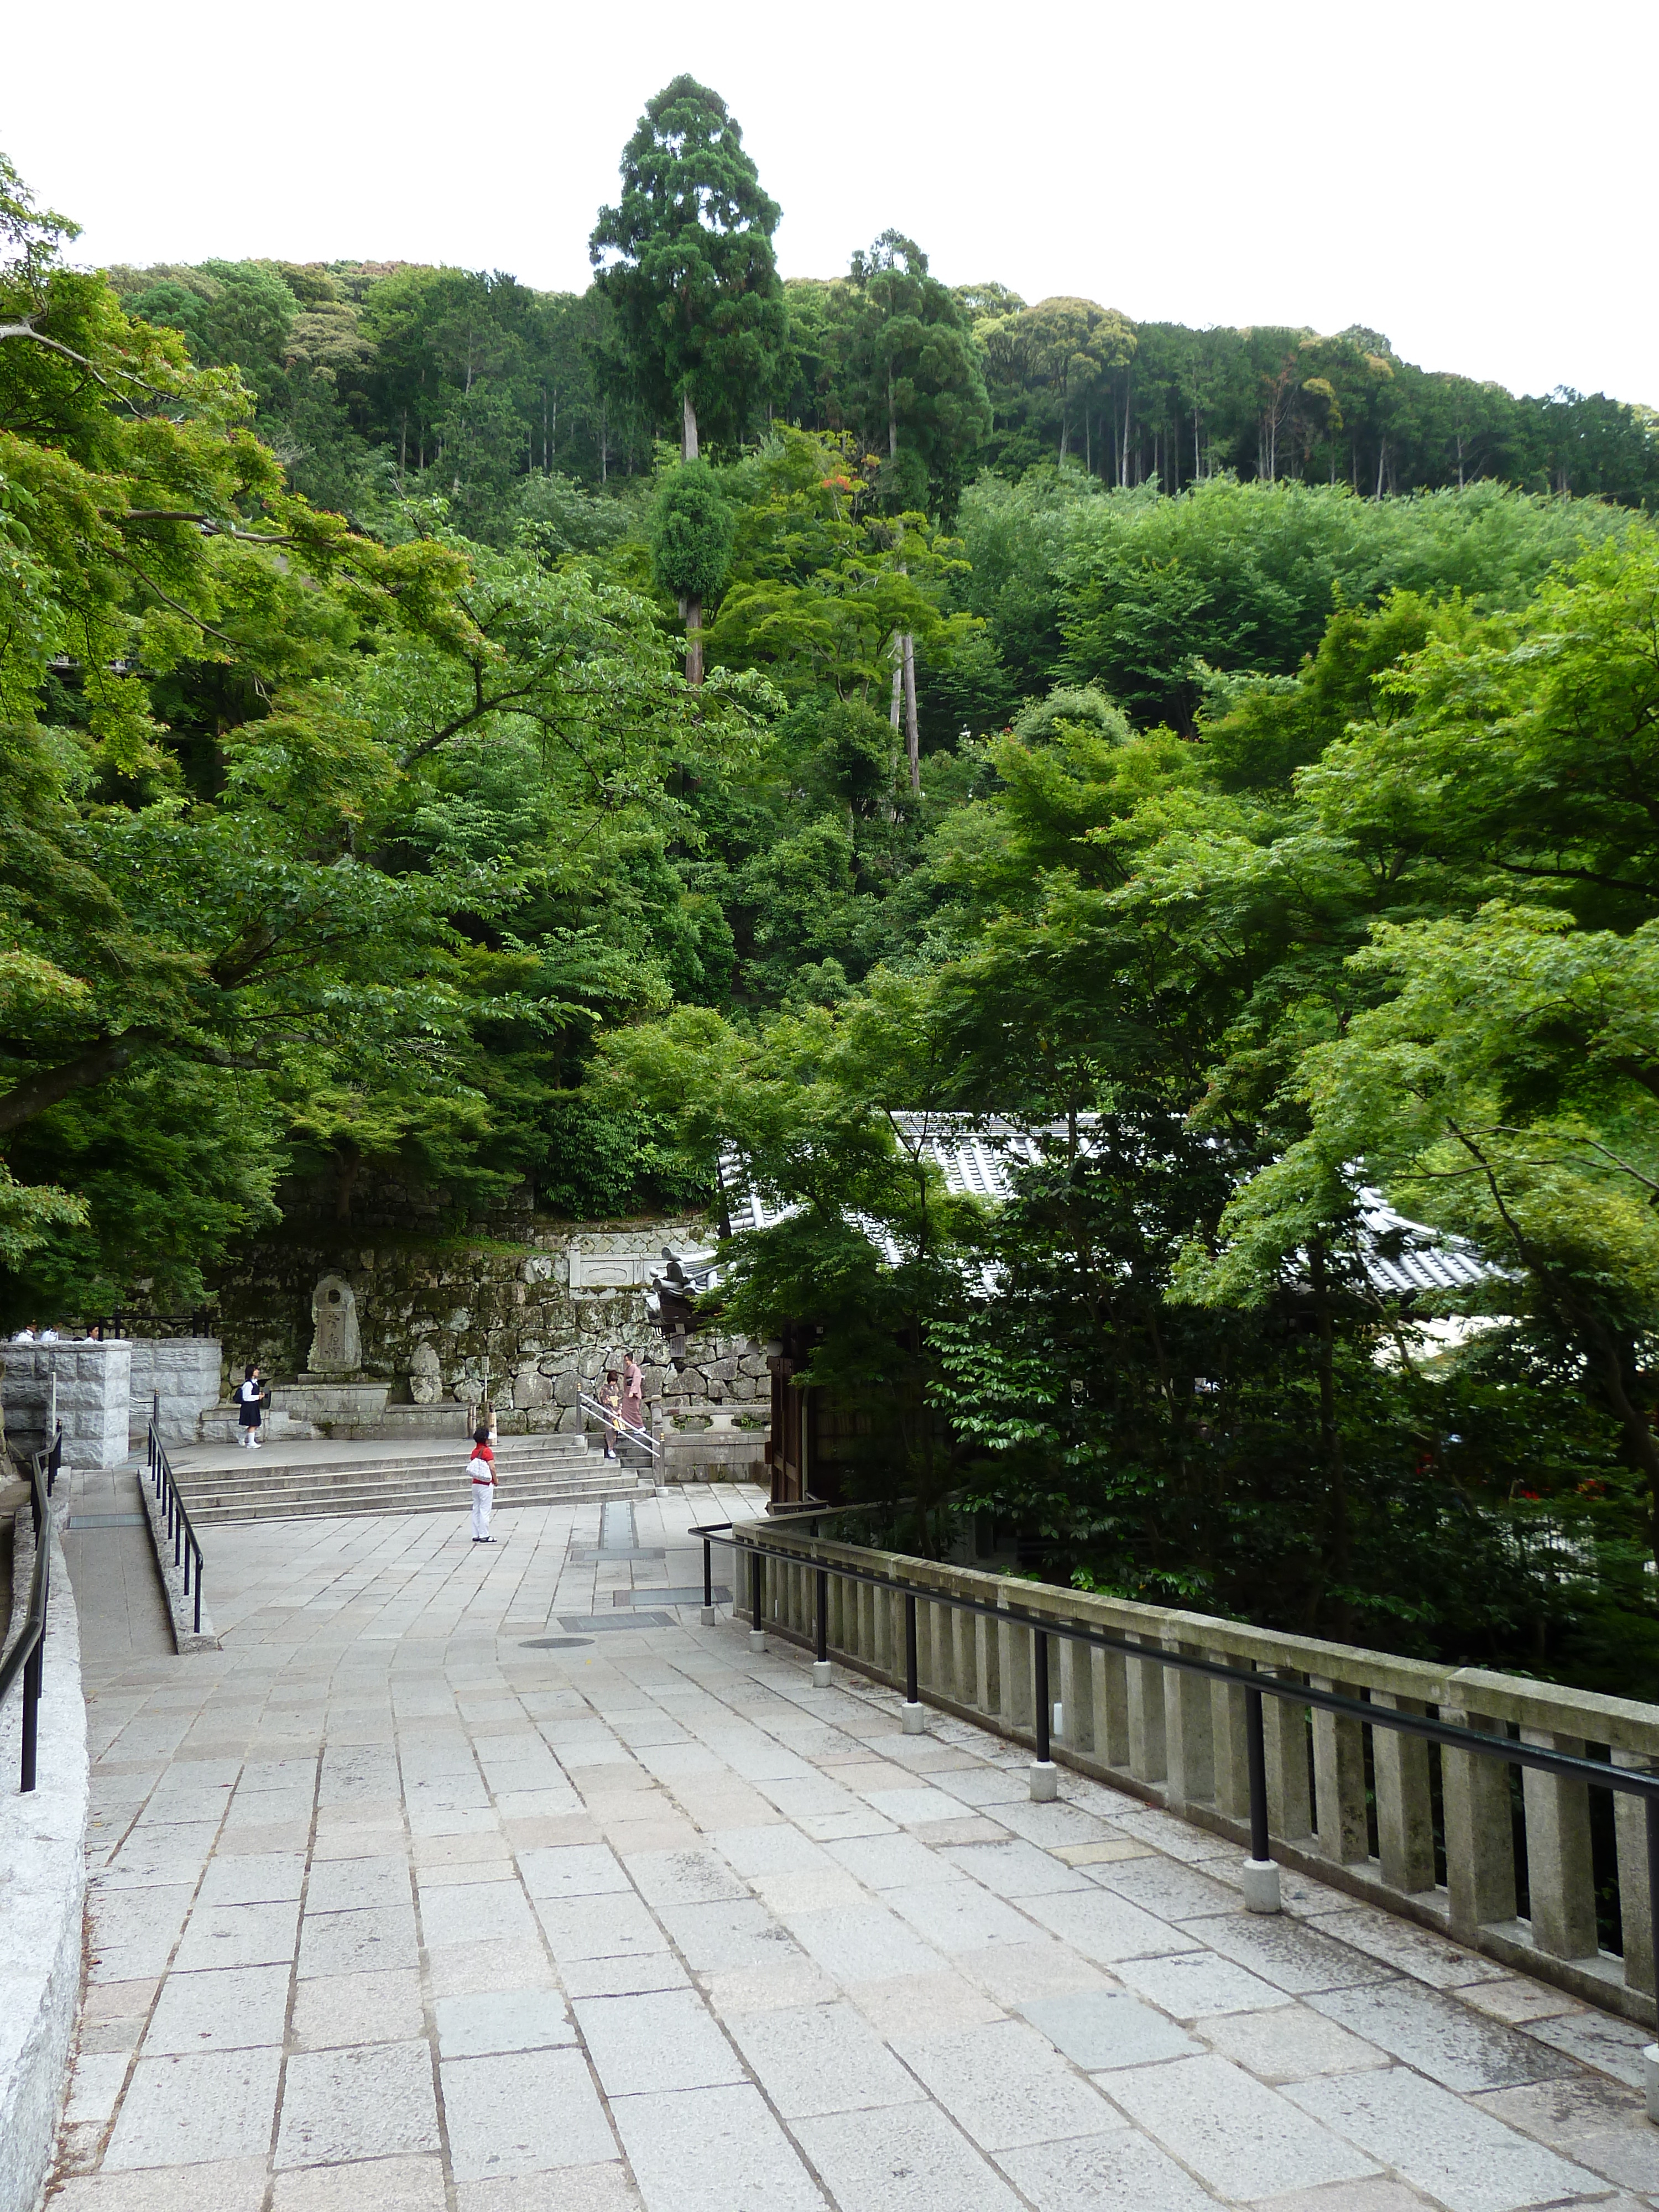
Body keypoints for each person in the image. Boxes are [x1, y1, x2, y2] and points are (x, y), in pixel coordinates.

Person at [468, 1424, 496, 1542]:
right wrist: (496, 1480)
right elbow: (492, 1468)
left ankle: (476, 1534)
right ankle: (485, 1535)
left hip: (476, 1483)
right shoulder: (487, 1451)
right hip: (485, 1484)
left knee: (476, 1508)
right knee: (485, 1509)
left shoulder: (475, 1452)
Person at [236, 1365, 267, 1448]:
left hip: (254, 1405)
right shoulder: (248, 1384)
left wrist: (259, 1395)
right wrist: (258, 1397)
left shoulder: (255, 1383)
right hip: (249, 1406)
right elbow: (246, 1397)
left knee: (256, 1424)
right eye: (255, 1370)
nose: (258, 1371)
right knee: (253, 1424)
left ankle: (242, 1436)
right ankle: (251, 1443)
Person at [619, 1353, 644, 1438]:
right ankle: (628, 1426)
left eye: (628, 1360)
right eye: (625, 1361)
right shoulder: (628, 1369)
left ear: (631, 1360)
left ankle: (640, 1426)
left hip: (633, 1392)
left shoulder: (635, 1368)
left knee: (634, 1410)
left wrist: (633, 1392)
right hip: (628, 1391)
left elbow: (636, 1380)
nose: (627, 1362)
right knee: (625, 1410)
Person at [598, 1371, 622, 1459]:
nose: (614, 1383)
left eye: (615, 1381)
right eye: (612, 1381)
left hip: (616, 1412)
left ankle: (612, 1447)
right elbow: (605, 1402)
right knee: (610, 1431)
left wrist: (620, 1409)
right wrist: (612, 1412)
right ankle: (610, 1449)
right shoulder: (604, 1389)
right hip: (609, 1413)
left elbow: (620, 1399)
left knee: (615, 1431)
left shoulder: (616, 1388)